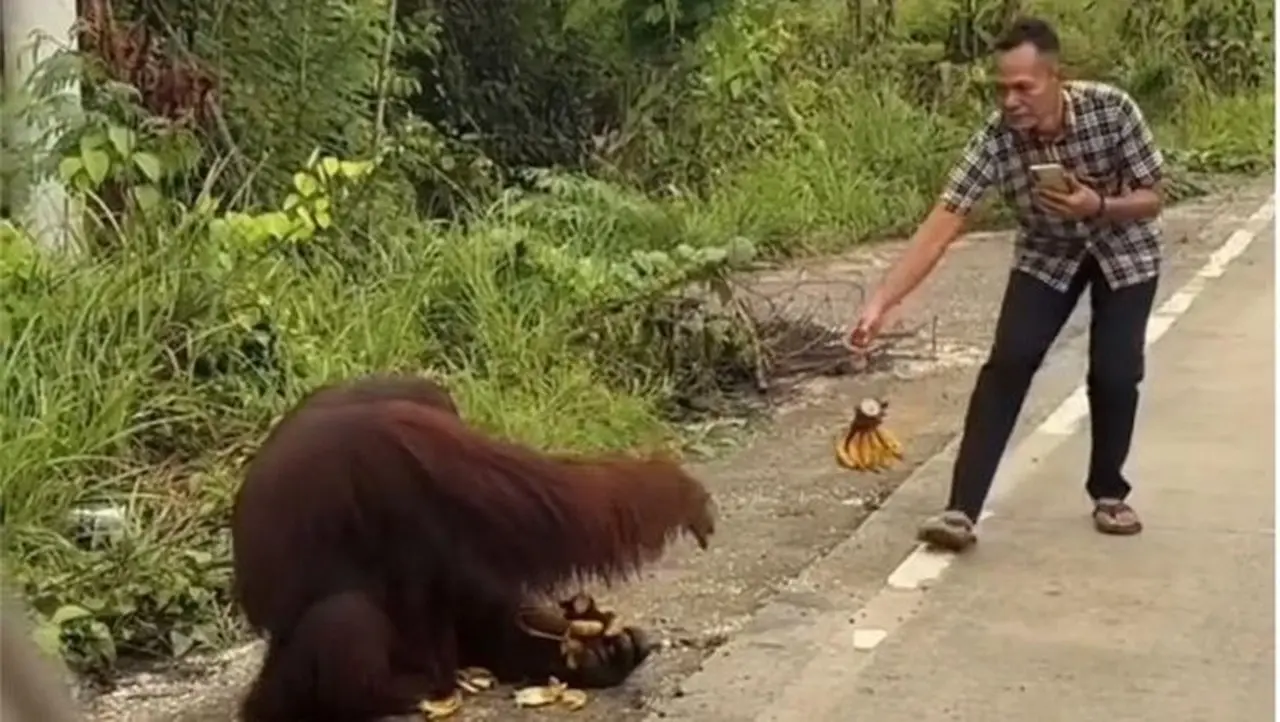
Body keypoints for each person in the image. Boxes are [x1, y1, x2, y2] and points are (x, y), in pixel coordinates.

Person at [848, 16, 1165, 552]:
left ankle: (1109, 493)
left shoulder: (1112, 110)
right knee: (1008, 362)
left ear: (1055, 78)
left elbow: (1154, 195)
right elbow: (944, 220)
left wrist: (1099, 205)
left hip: (1125, 249)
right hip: (1047, 254)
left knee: (1114, 373)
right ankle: (960, 511)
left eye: (1024, 87)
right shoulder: (996, 141)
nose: (1011, 101)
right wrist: (882, 300)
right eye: (1002, 89)